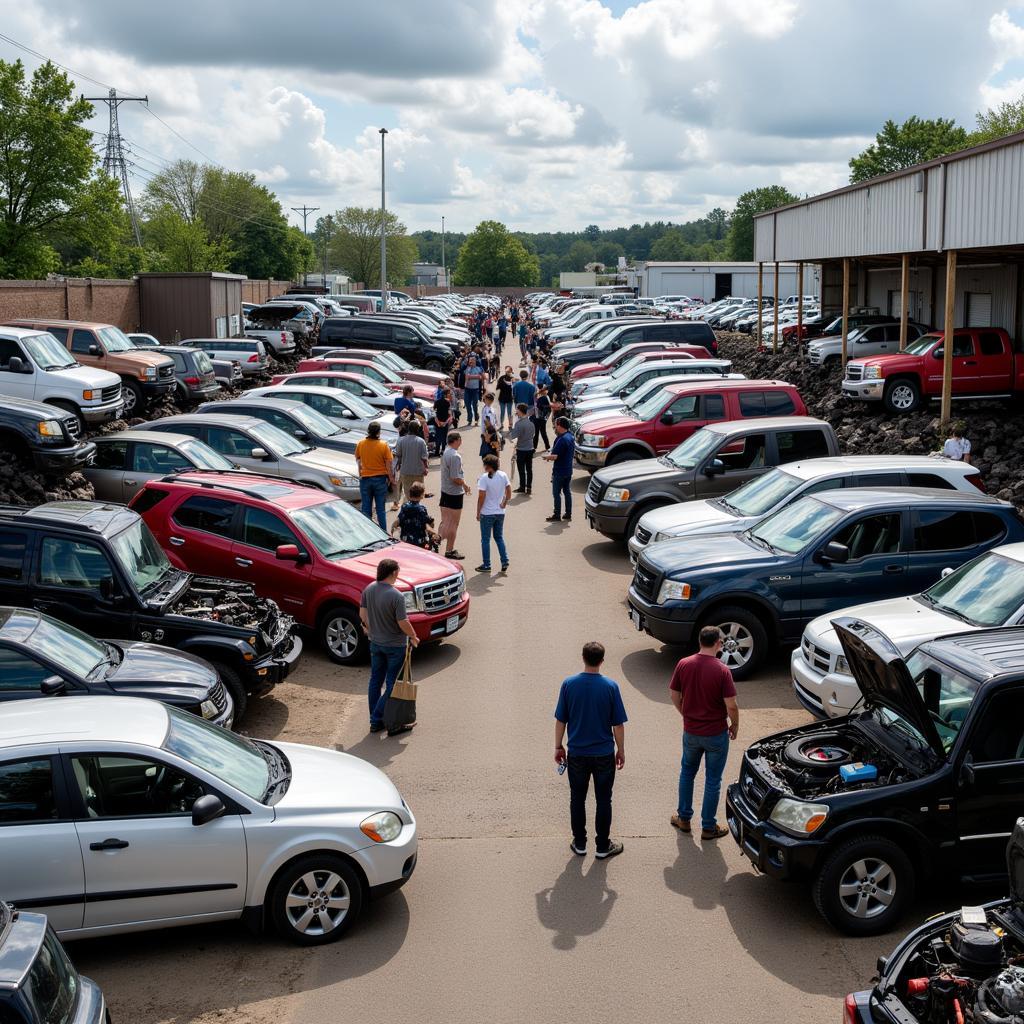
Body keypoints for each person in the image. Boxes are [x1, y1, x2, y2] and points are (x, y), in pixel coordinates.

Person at [554, 641, 627, 859]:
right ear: (602, 660)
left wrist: (558, 746)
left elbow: (561, 720)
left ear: (583, 658)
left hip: (577, 753)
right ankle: (603, 846)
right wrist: (620, 750)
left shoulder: (568, 684)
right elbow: (618, 725)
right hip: (604, 754)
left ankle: (580, 843)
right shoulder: (611, 687)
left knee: (577, 798)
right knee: (604, 799)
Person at [669, 626, 740, 841]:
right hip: (716, 734)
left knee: (687, 773)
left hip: (691, 732)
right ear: (718, 643)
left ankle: (683, 818)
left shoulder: (684, 664)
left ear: (700, 641)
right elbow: (731, 705)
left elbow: (674, 695)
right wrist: (734, 724)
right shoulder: (722, 670)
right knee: (713, 780)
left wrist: (686, 713)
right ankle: (708, 827)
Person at [359, 558, 420, 735]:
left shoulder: (369, 588)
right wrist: (414, 636)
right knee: (393, 684)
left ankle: (376, 720)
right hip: (395, 646)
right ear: (393, 573)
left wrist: (370, 629)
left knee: (375, 680)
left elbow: (362, 614)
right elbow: (403, 622)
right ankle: (377, 718)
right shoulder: (396, 595)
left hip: (375, 644)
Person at [476, 453, 511, 573]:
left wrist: (478, 512)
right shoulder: (503, 475)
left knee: (485, 539)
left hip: (487, 513)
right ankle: (504, 560)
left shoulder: (484, 478)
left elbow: (481, 497)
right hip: (500, 512)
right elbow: (509, 491)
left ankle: (487, 564)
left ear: (488, 466)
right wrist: (504, 503)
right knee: (499, 537)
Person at [355, 421, 394, 530]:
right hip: (380, 480)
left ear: (368, 431)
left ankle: (369, 533)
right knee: (380, 510)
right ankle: (383, 532)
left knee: (366, 509)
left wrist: (360, 474)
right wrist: (391, 479)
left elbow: (358, 461)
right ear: (379, 432)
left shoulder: (361, 444)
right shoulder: (383, 445)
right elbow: (388, 465)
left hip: (365, 480)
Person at [439, 431, 471, 560]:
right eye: (460, 440)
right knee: (453, 524)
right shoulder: (455, 456)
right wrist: (465, 485)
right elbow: (455, 477)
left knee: (445, 521)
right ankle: (449, 549)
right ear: (456, 440)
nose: (461, 442)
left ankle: (437, 541)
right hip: (454, 493)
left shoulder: (446, 452)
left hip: (445, 491)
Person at [391, 481, 440, 550]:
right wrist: (435, 533)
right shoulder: (421, 509)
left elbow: (397, 520)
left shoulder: (404, 506)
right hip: (418, 542)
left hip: (405, 540)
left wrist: (392, 529)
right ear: (421, 495)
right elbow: (427, 526)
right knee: (431, 519)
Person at [543, 417, 575, 522]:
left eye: (556, 424)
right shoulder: (570, 436)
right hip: (568, 470)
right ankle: (568, 513)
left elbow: (555, 456)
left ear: (560, 426)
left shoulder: (562, 439)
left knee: (556, 493)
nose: (555, 426)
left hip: (560, 471)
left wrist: (546, 457)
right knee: (567, 491)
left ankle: (557, 514)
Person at [393, 418, 429, 508]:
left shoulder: (401, 440)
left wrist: (399, 465)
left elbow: (398, 455)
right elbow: (424, 458)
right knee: (418, 493)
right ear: (417, 430)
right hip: (418, 472)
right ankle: (416, 509)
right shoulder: (421, 441)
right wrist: (426, 468)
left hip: (406, 471)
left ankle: (409, 510)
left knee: (408, 493)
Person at [509, 402, 536, 494]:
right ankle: (529, 487)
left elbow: (512, 436)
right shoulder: (531, 423)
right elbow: (533, 435)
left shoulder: (519, 423)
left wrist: (511, 426)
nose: (516, 411)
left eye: (517, 410)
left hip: (521, 449)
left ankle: (522, 486)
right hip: (530, 448)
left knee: (521, 470)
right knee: (529, 469)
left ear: (520, 411)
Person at [463, 356, 484, 426]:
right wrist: (476, 376)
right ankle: (469, 420)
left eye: (472, 360)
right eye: (470, 360)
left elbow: (483, 377)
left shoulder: (478, 369)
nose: (471, 362)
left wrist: (475, 377)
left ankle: (476, 419)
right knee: (467, 405)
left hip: (475, 390)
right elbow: (467, 377)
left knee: (475, 405)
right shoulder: (467, 368)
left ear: (475, 361)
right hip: (467, 389)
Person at [433, 385, 453, 456]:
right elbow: (449, 414)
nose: (450, 395)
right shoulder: (447, 403)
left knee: (438, 436)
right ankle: (443, 450)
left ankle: (437, 451)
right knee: (444, 436)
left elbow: (434, 413)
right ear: (445, 394)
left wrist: (438, 422)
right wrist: (445, 422)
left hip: (437, 422)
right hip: (445, 422)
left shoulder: (437, 402)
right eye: (449, 393)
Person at [533, 385, 552, 451]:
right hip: (538, 417)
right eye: (545, 390)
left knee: (540, 433)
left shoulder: (545, 397)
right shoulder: (542, 397)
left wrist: (546, 417)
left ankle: (546, 447)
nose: (547, 391)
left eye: (546, 390)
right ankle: (546, 447)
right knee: (538, 433)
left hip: (540, 418)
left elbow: (548, 409)